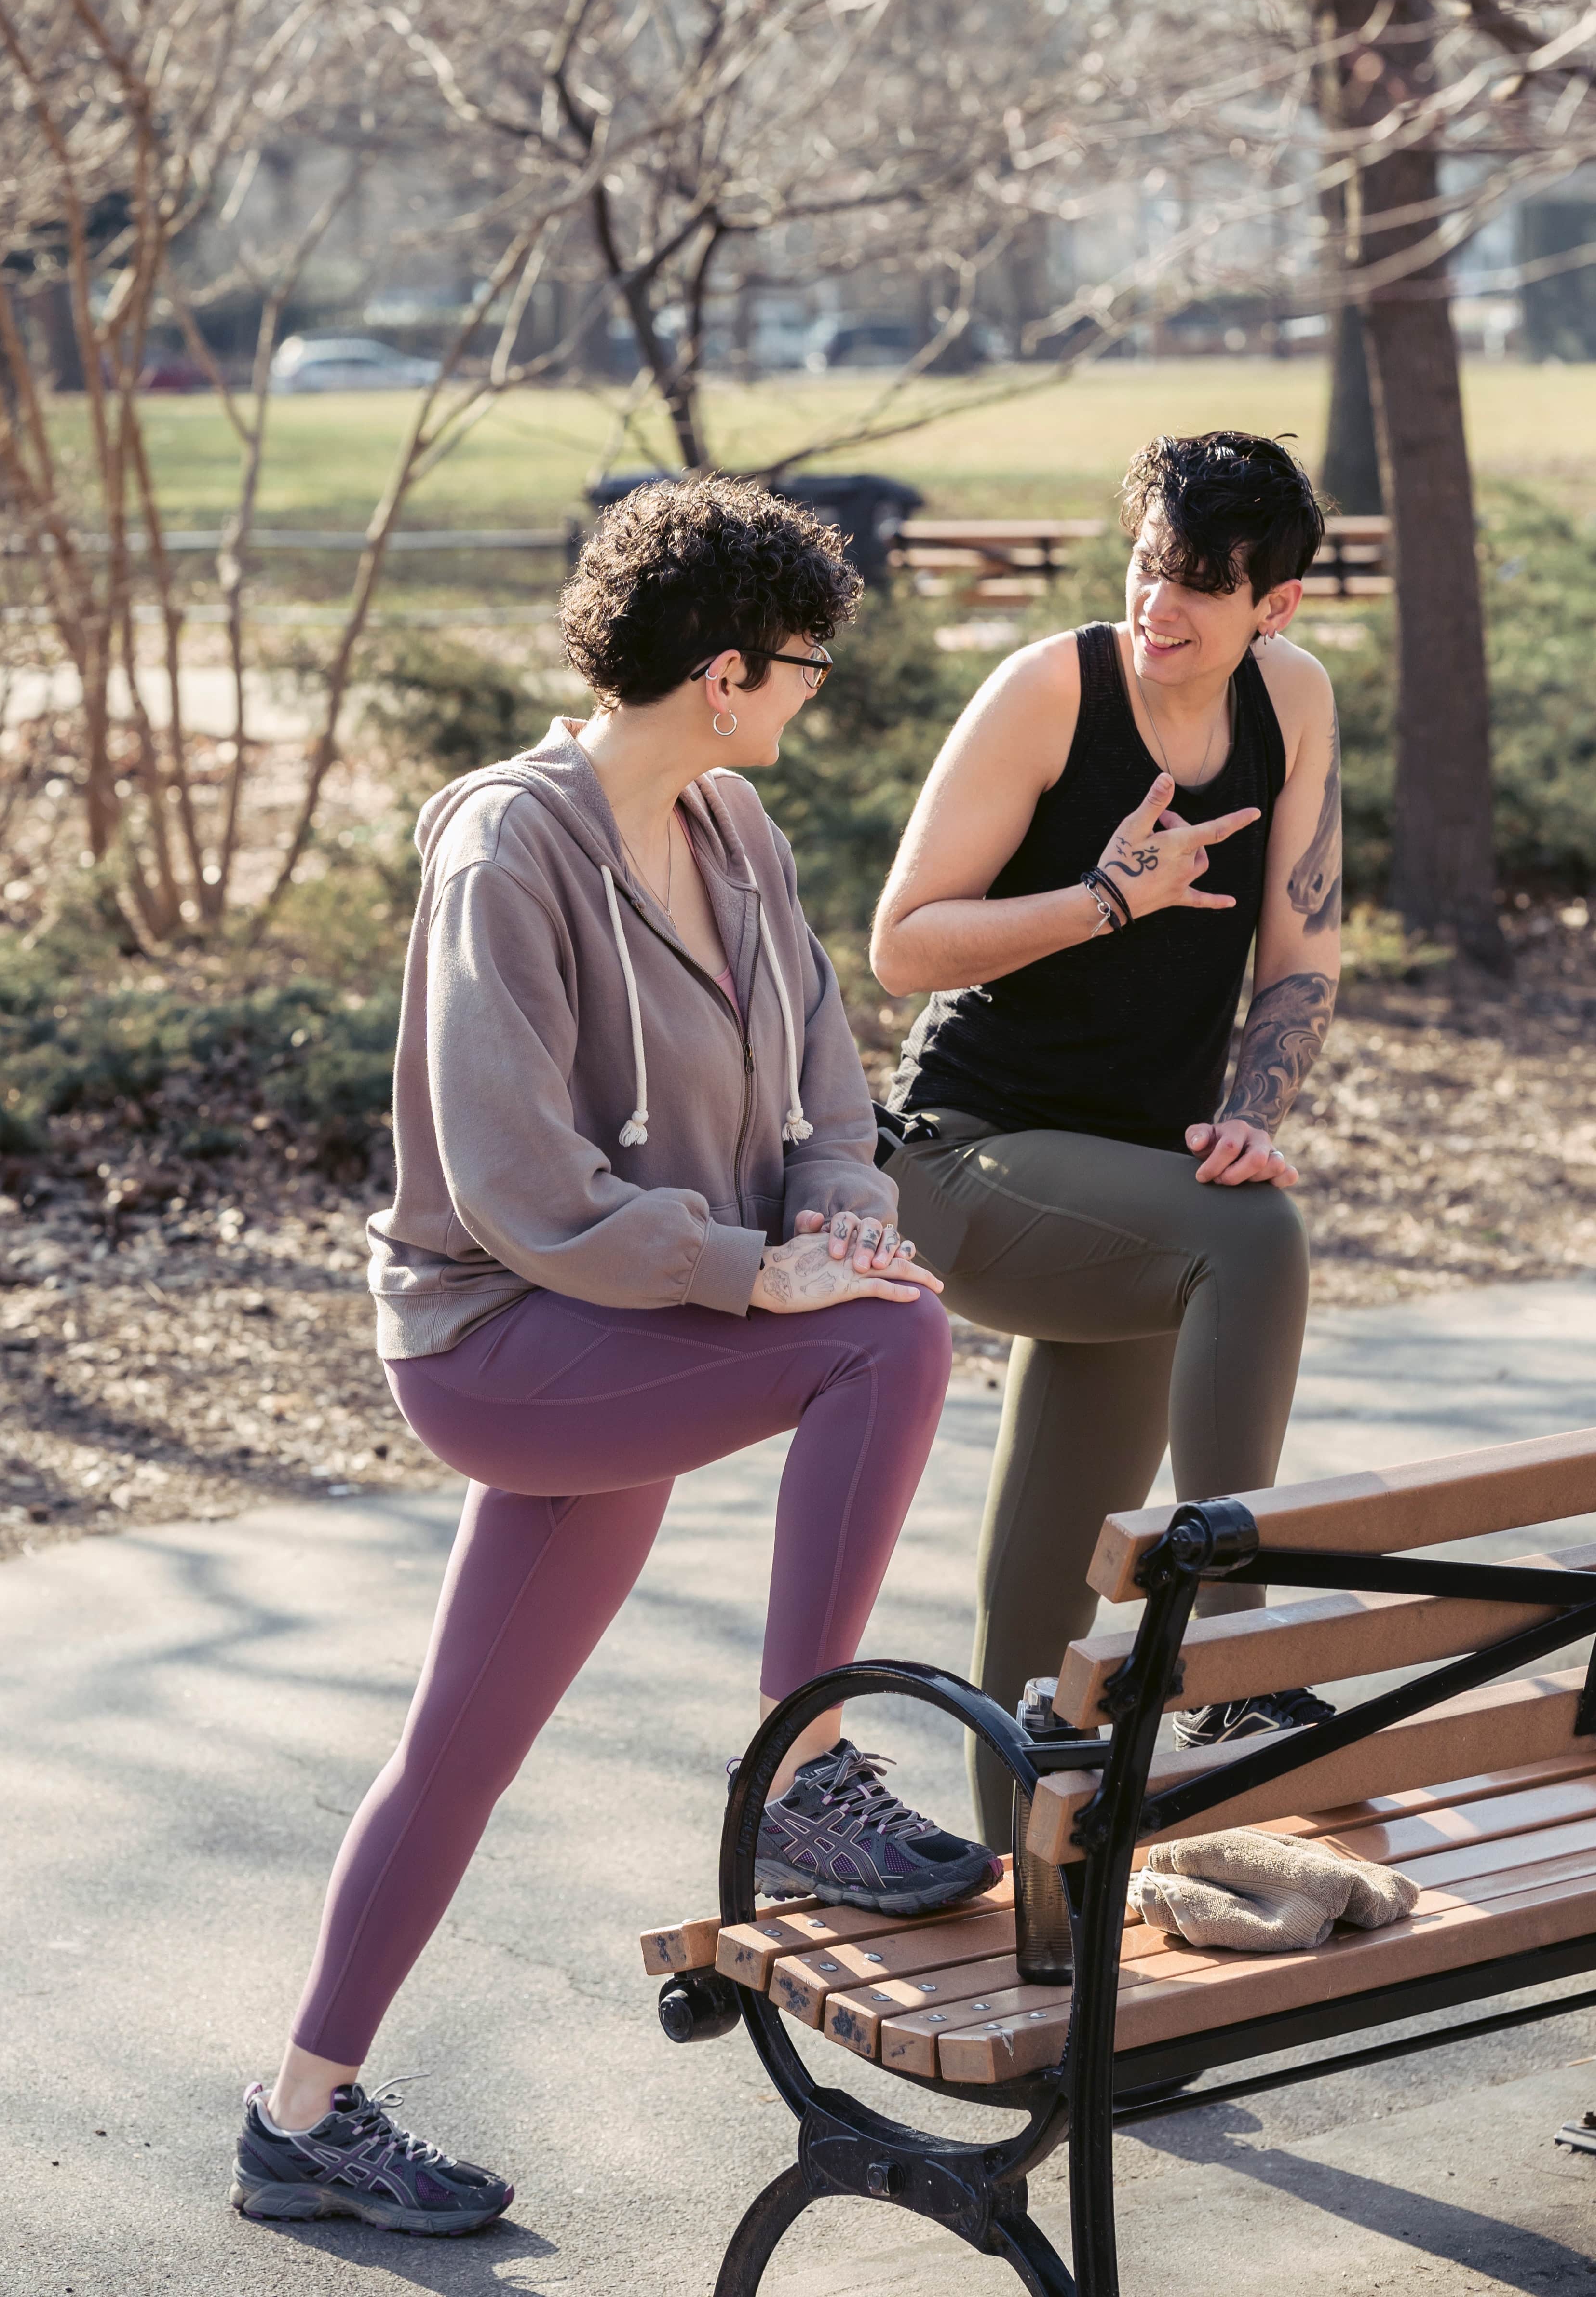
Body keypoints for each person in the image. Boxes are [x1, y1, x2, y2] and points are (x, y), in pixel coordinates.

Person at [232, 475, 989, 2236]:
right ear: (724, 672)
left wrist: (829, 1222)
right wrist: (764, 1277)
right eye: (803, 665)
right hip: (503, 1337)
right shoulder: (511, 845)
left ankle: (298, 2119)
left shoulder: (738, 834)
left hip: (648, 1319)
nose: (816, 695)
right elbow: (514, 1179)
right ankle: (803, 1777)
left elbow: (824, 1086)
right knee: (895, 1346)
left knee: (458, 1754)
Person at [870, 431, 1343, 1849]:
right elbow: (901, 947)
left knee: (1042, 1610)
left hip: (1140, 1193)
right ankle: (1237, 1674)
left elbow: (1305, 959)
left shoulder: (1294, 703)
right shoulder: (1048, 693)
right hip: (961, 1158)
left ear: (1278, 608)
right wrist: (1105, 899)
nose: (1163, 607)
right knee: (1255, 1240)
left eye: (1204, 585)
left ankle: (1040, 1955)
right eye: (1150, 566)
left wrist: (1249, 1118)